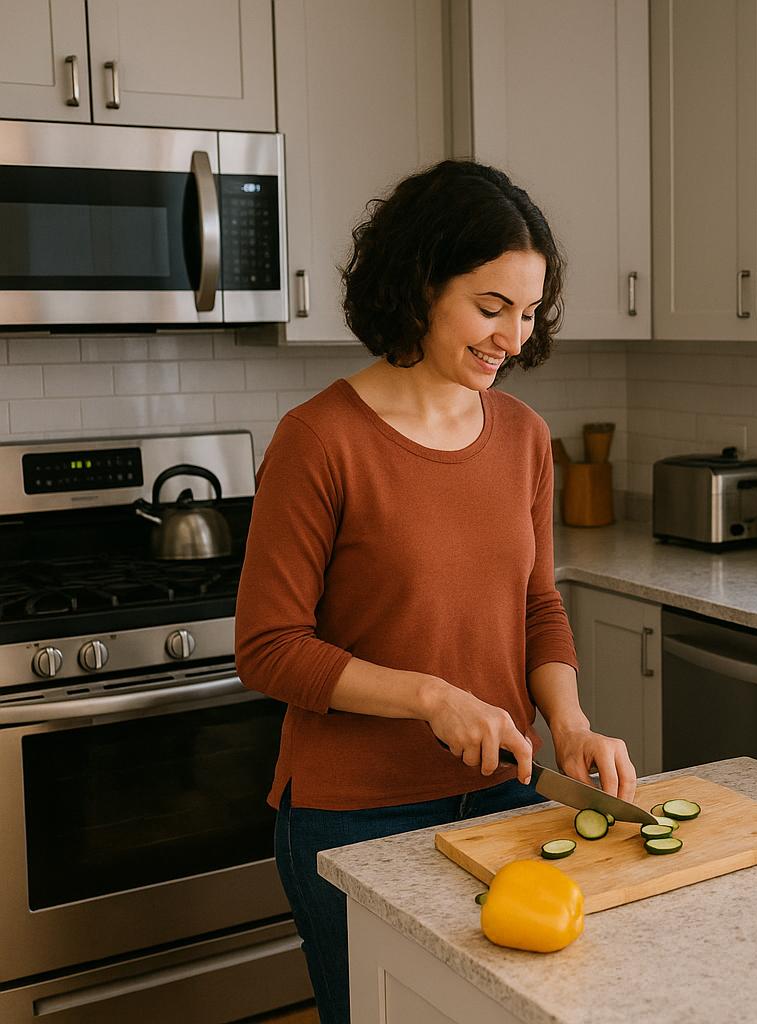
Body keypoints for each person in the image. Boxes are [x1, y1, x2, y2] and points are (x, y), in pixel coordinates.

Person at [234, 160, 635, 1022]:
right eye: (491, 309)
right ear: (419, 284)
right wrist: (431, 699)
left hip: (504, 799)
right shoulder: (320, 440)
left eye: (528, 314)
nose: (513, 338)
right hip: (353, 822)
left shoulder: (526, 437)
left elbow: (538, 609)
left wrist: (568, 723)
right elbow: (268, 648)